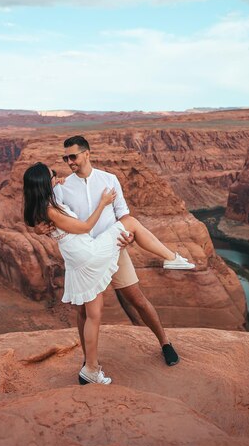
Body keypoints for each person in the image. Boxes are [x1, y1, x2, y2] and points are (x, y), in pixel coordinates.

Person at [26, 137, 195, 383]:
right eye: (65, 158)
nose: (69, 162)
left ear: (87, 154)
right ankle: (89, 361)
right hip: (86, 254)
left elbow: (123, 213)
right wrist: (39, 230)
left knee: (137, 300)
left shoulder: (109, 179)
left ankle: (165, 342)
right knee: (85, 312)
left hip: (113, 248)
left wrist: (127, 237)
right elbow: (44, 216)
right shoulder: (60, 188)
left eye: (72, 156)